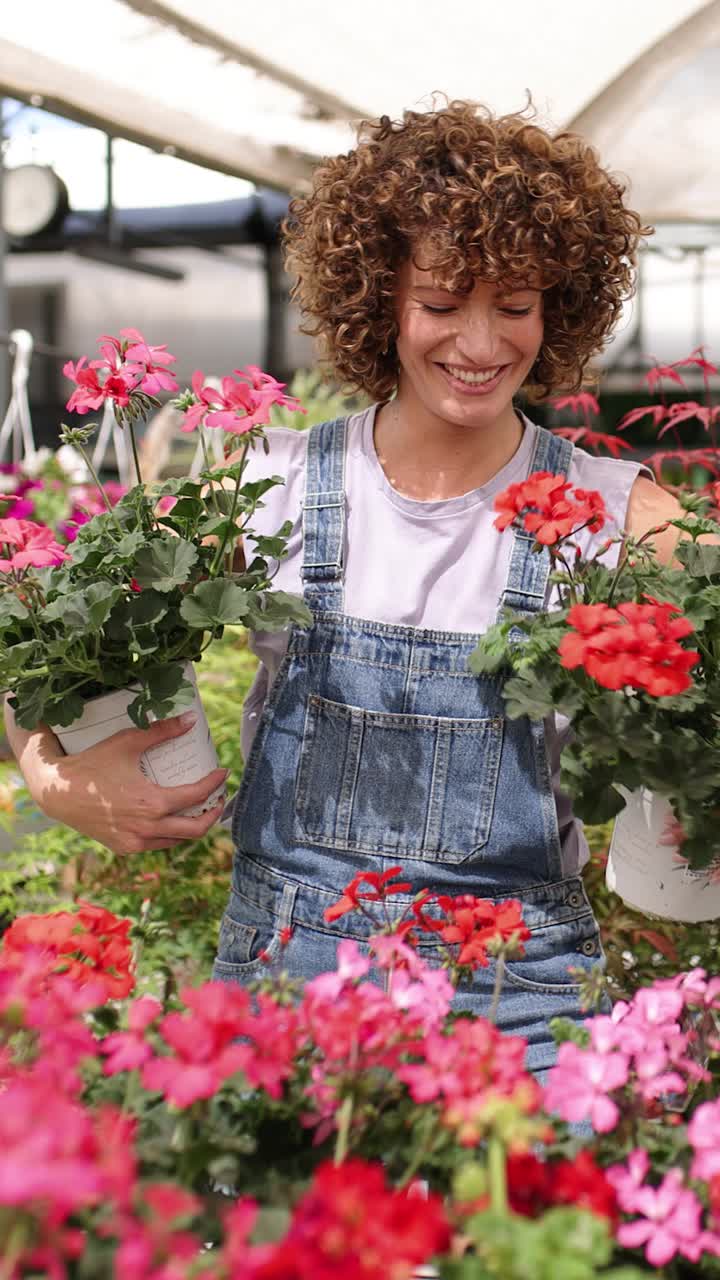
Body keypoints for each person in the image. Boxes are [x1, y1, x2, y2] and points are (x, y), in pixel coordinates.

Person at [5, 101, 685, 1073]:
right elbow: (49, 629)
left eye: (517, 304)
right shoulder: (267, 481)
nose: (482, 342)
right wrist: (46, 768)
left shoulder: (624, 514)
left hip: (519, 1000)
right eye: (443, 304)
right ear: (378, 300)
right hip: (283, 975)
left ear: (562, 306)